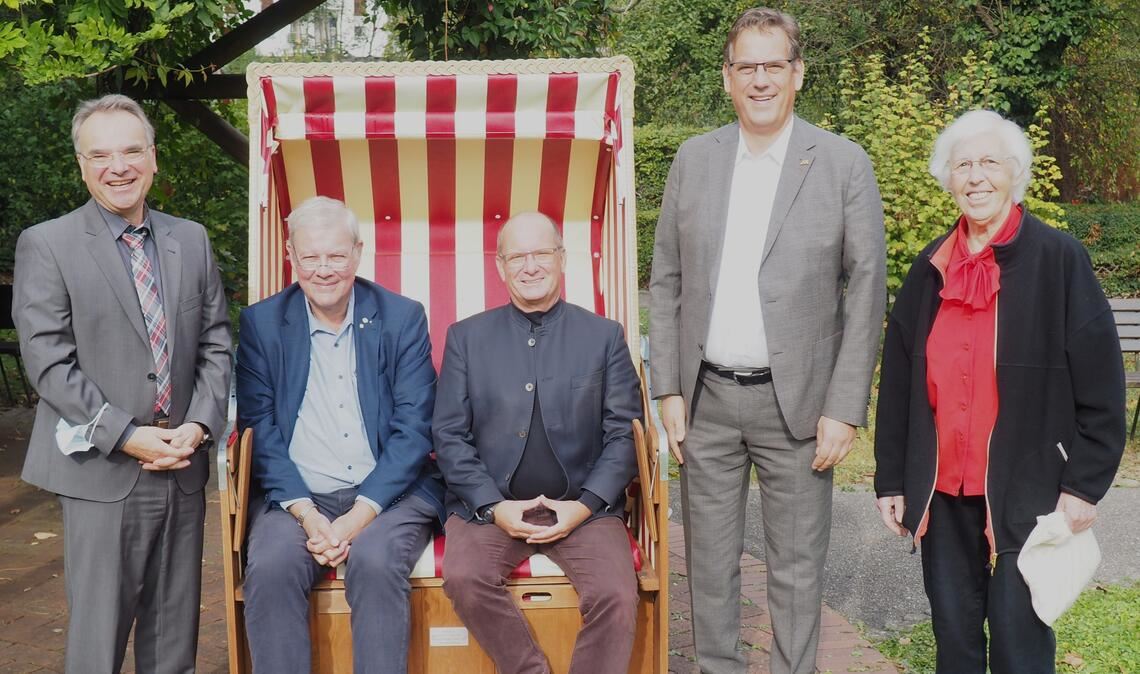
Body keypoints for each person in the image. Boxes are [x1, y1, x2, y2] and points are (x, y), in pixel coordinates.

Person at [648, 7, 887, 673]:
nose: (759, 80)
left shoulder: (841, 163)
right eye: (745, 66)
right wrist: (667, 385)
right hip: (707, 403)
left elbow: (868, 287)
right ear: (727, 78)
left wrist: (844, 406)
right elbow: (664, 276)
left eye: (772, 66)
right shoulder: (695, 159)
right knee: (711, 570)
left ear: (797, 74)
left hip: (802, 409)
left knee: (796, 571)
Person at [873, 109, 1126, 673]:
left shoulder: (1060, 258)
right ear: (948, 179)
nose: (976, 176)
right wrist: (892, 476)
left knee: (1019, 643)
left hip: (1030, 487)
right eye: (963, 165)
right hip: (943, 487)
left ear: (1015, 172)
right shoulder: (930, 267)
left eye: (989, 162)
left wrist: (1084, 485)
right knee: (955, 641)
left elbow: (1102, 383)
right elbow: (899, 381)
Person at [13, 94, 232, 672]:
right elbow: (49, 362)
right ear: (82, 165)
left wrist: (200, 425)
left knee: (173, 644)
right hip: (102, 470)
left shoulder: (192, 240)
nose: (119, 166)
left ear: (154, 159)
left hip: (182, 467)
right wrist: (127, 434)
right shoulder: (48, 245)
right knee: (97, 645)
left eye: (131, 150)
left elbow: (216, 344)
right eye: (101, 154)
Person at [235, 196, 444, 673]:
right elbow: (259, 430)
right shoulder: (262, 324)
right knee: (270, 566)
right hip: (297, 497)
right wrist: (309, 517)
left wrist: (354, 520)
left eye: (336, 255)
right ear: (292, 257)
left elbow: (414, 428)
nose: (323, 269)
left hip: (389, 494)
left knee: (373, 559)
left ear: (357, 254)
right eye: (311, 256)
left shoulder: (401, 317)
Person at [433, 211, 643, 674]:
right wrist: (492, 506)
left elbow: (623, 436)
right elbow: (449, 435)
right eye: (518, 256)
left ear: (562, 259)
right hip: (490, 509)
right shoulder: (466, 338)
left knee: (616, 594)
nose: (530, 266)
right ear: (500, 266)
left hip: (584, 509)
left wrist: (584, 506)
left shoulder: (603, 337)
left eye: (541, 253)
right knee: (465, 578)